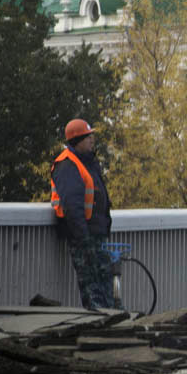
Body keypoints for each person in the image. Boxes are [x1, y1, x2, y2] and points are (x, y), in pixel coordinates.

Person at [50, 119, 115, 309]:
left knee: (105, 286)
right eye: (88, 136)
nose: (92, 139)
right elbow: (72, 206)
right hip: (84, 238)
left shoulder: (88, 162)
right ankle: (100, 328)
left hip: (96, 235)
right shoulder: (67, 164)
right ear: (77, 139)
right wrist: (84, 238)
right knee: (92, 288)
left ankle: (111, 322)